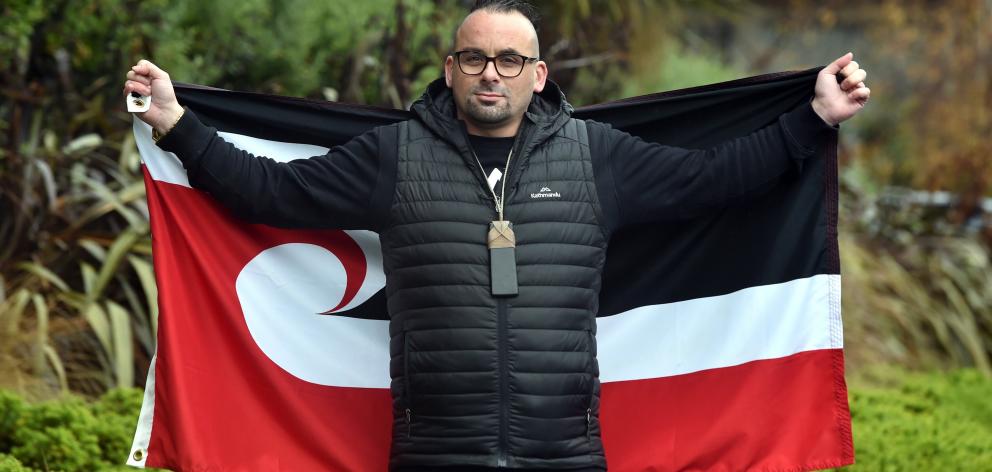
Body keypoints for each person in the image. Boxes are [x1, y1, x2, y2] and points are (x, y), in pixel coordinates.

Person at [123, 1, 869, 470]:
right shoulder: (394, 157)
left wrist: (814, 119)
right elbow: (272, 193)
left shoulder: (596, 154)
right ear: (450, 69)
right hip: (433, 449)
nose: (491, 73)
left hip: (565, 451)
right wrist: (177, 124)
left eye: (509, 60)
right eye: (475, 57)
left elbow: (715, 181)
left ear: (537, 75)